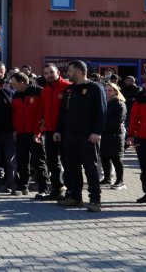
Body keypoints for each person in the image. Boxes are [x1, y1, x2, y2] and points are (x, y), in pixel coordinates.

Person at [55, 60, 106, 212]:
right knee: (72, 167)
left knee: (90, 168)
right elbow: (63, 112)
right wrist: (58, 130)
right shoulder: (69, 90)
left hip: (88, 136)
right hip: (70, 136)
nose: (68, 74)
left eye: (70, 71)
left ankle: (95, 200)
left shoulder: (94, 88)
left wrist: (97, 132)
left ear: (78, 71)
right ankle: (75, 198)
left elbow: (102, 112)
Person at [10, 72, 49, 199]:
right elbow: (15, 114)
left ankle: (43, 188)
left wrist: (39, 132)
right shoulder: (16, 94)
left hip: (35, 133)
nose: (13, 86)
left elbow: (43, 113)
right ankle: (23, 186)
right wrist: (15, 129)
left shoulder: (39, 92)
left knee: (39, 162)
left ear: (22, 82)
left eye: (15, 84)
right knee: (22, 161)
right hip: (21, 133)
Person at [40, 63, 70, 200]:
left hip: (65, 131)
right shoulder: (45, 90)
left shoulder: (67, 87)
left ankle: (71, 192)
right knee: (52, 162)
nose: (49, 75)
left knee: (67, 161)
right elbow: (43, 110)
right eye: (46, 73)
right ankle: (57, 188)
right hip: (49, 131)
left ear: (58, 72)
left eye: (51, 72)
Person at [127, 75, 146, 203]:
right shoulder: (141, 99)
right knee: (145, 168)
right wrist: (130, 135)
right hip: (143, 138)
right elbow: (134, 118)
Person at [101, 82, 127, 190]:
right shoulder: (104, 102)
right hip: (105, 134)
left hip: (116, 134)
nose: (107, 92)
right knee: (105, 157)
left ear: (116, 91)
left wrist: (103, 127)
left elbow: (119, 119)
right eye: (106, 90)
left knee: (116, 158)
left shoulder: (119, 103)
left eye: (110, 90)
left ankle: (120, 181)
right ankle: (107, 179)